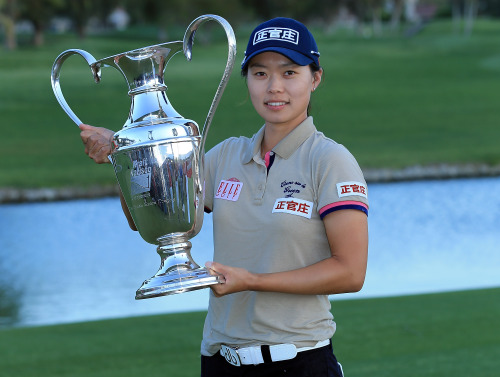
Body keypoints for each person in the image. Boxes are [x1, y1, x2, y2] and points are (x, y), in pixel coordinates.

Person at [80, 17, 368, 377]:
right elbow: (147, 217)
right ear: (247, 79)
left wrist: (252, 281)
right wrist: (124, 158)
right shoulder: (225, 156)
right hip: (220, 361)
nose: (274, 87)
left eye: (290, 73)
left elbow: (351, 273)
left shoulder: (329, 160)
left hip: (298, 362)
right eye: (260, 73)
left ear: (315, 78)